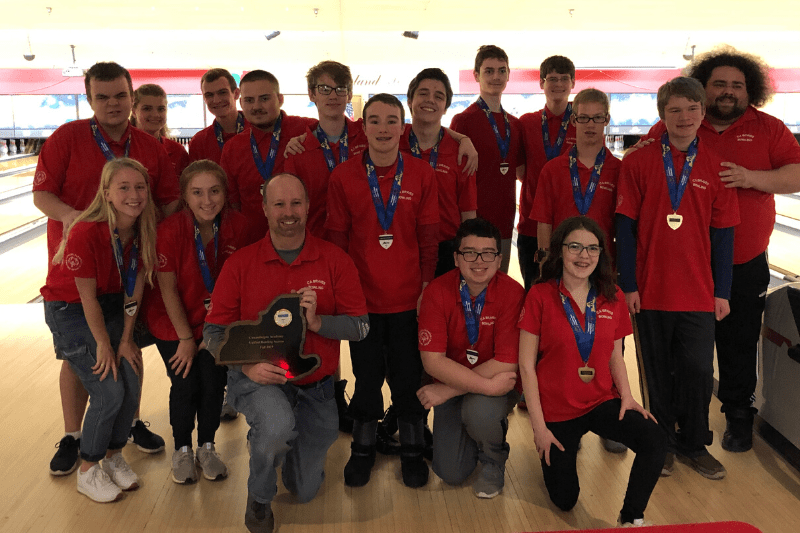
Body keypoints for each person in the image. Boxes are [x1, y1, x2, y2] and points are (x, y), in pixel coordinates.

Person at [645, 47, 800, 452]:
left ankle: (737, 415)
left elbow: (796, 173)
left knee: (738, 341)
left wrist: (751, 177)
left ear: (751, 90)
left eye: (737, 85)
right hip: (683, 266)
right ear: (702, 89)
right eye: (719, 84)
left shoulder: (768, 128)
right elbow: (642, 170)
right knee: (684, 350)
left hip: (743, 260)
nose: (728, 91)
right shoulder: (674, 125)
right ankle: (680, 419)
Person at [34, 61, 178, 476]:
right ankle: (73, 436)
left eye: (120, 95)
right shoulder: (68, 137)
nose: (112, 104)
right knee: (82, 356)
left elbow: (167, 201)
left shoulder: (150, 147)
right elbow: (42, 194)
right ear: (90, 99)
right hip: (75, 273)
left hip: (128, 275)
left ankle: (128, 426)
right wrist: (76, 218)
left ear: (132, 97)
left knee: (126, 350)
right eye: (102, 97)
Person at [203, 173, 369, 533]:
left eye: (296, 203)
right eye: (279, 204)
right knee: (277, 425)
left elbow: (361, 326)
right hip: (258, 380)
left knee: (304, 489)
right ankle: (260, 496)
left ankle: (270, 440)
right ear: (264, 209)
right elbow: (213, 331)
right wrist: (246, 366)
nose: (288, 212)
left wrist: (320, 322)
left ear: (308, 207)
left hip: (315, 385)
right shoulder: (241, 263)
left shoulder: (334, 260)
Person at [617, 77, 739, 480]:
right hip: (650, 290)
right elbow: (625, 227)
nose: (684, 117)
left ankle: (694, 442)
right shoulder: (637, 161)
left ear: (702, 113)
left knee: (699, 371)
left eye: (691, 109)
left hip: (699, 292)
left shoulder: (717, 166)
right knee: (655, 373)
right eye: (675, 110)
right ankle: (661, 444)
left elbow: (724, 235)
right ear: (662, 115)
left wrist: (722, 291)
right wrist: (629, 284)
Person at [518, 216, 666, 527]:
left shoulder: (611, 296)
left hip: (600, 401)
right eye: (575, 247)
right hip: (557, 411)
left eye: (592, 249)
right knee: (565, 499)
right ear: (560, 251)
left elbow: (615, 355)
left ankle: (631, 518)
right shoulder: (540, 296)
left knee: (654, 438)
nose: (584, 256)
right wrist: (539, 429)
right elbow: (526, 367)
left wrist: (627, 397)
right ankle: (555, 455)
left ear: (600, 255)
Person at [326, 93, 439, 489]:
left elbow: (428, 238)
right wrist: (343, 297)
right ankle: (363, 447)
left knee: (408, 377)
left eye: (392, 121)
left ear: (403, 127)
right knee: (367, 375)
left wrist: (426, 287)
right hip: (362, 303)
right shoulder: (343, 177)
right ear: (363, 127)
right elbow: (338, 244)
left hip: (409, 299)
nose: (383, 129)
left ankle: (411, 447)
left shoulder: (422, 174)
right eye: (374, 121)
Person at [41, 157, 157, 502]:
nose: (134, 195)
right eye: (124, 187)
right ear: (106, 193)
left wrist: (125, 340)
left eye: (140, 187)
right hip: (70, 309)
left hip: (109, 307)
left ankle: (112, 455)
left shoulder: (141, 231)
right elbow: (85, 298)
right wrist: (105, 345)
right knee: (108, 391)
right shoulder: (87, 231)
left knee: (132, 379)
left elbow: (133, 290)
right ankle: (89, 469)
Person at [143, 160, 249, 484]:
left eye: (214, 191)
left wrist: (215, 331)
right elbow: (166, 287)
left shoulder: (238, 226)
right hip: (172, 322)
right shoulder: (170, 229)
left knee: (214, 383)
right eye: (198, 192)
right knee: (186, 383)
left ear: (224, 192)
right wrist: (187, 338)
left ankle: (206, 446)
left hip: (216, 323)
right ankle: (182, 450)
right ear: (185, 196)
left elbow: (243, 285)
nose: (207, 200)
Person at [416, 218, 523, 499]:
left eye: (488, 253)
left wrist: (447, 389)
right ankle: (477, 433)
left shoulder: (513, 294)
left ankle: (492, 459)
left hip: (487, 385)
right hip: (479, 383)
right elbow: (433, 362)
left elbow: (507, 363)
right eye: (469, 252)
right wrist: (483, 385)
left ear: (499, 259)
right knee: (450, 473)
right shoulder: (437, 293)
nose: (479, 261)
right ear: (455, 258)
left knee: (479, 412)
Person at [450, 45, 525, 274]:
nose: (496, 76)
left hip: (504, 225)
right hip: (473, 227)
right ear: (476, 75)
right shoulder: (463, 122)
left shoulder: (515, 124)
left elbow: (521, 172)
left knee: (498, 296)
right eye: (489, 71)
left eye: (502, 71)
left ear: (508, 75)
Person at [221, 70, 315, 245]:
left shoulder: (307, 130)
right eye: (249, 100)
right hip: (254, 247)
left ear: (280, 99)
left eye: (264, 98)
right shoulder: (233, 148)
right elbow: (233, 206)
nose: (257, 106)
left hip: (306, 244)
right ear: (240, 102)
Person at [532, 88, 620, 276]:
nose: (590, 124)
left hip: (602, 264)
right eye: (584, 118)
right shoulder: (552, 170)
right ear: (573, 120)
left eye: (597, 118)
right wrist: (545, 258)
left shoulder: (619, 170)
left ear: (606, 120)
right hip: (560, 262)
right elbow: (544, 221)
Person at [402, 68, 477, 276]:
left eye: (439, 96)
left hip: (446, 248)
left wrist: (468, 254)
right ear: (409, 100)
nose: (430, 100)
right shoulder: (392, 140)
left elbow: (468, 212)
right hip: (402, 245)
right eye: (423, 93)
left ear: (445, 107)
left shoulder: (461, 152)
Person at [518, 55, 577, 290]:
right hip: (531, 228)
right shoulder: (527, 123)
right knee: (534, 296)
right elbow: (521, 171)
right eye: (552, 78)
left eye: (564, 78)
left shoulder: (583, 122)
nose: (558, 84)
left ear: (573, 83)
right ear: (541, 83)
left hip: (571, 228)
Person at [188, 68, 249, 164]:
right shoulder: (198, 142)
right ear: (204, 98)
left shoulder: (258, 130)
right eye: (209, 95)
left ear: (236, 94)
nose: (216, 100)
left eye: (222, 92)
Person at [131, 83, 190, 178]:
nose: (155, 115)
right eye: (147, 109)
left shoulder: (178, 151)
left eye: (161, 109)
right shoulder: (123, 148)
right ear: (134, 111)